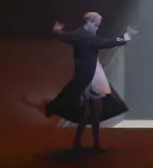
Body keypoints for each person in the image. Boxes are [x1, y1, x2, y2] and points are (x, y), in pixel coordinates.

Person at [45, 12, 138, 152]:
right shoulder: (85, 37)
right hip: (88, 79)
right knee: (87, 113)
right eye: (95, 25)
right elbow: (108, 42)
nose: (97, 28)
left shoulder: (79, 35)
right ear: (88, 22)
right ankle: (83, 142)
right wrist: (127, 36)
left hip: (94, 76)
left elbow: (64, 36)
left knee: (94, 113)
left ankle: (91, 143)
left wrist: (57, 31)